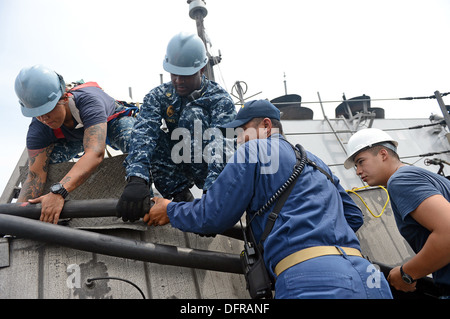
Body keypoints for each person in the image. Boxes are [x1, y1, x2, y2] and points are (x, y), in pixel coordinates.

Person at [144, 100, 393, 299]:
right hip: (369, 277)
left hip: (311, 281)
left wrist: (170, 210)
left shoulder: (253, 150)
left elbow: (213, 215)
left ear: (265, 125)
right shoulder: (317, 162)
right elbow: (353, 216)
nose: (238, 139)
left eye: (242, 132)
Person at [116, 32, 236, 222]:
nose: (178, 81)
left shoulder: (220, 100)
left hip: (208, 167)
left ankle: (208, 194)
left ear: (202, 69)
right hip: (177, 164)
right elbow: (144, 132)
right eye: (174, 74)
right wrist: (137, 177)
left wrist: (212, 200)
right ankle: (181, 195)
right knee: (144, 135)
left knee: (193, 116)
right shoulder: (158, 96)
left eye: (185, 76)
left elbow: (222, 149)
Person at [15, 64, 136, 224]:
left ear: (64, 98)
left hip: (111, 123)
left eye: (48, 111)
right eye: (38, 115)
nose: (44, 119)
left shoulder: (89, 101)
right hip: (76, 138)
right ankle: (57, 211)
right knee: (47, 162)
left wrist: (59, 191)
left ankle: (143, 197)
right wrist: (13, 218)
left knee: (135, 140)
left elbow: (94, 153)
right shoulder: (39, 128)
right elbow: (35, 176)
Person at [344, 127, 450, 298]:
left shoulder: (400, 180)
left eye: (361, 161)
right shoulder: (424, 176)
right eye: (356, 166)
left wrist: (406, 274)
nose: (358, 171)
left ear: (383, 154)